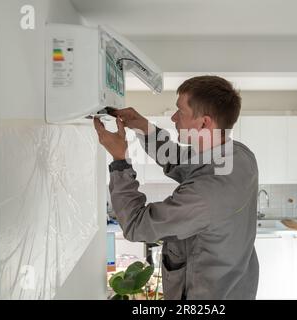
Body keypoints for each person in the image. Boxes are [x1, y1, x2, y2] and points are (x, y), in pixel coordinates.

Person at [94, 75, 259, 300]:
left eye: (180, 111)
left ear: (204, 123)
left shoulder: (204, 196)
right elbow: (178, 160)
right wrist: (144, 128)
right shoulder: (239, 155)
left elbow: (136, 225)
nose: (173, 118)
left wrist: (120, 160)